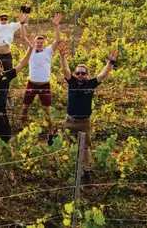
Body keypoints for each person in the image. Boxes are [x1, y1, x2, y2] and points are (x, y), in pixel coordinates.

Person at [59, 44, 118, 183]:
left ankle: (86, 171)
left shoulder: (91, 84)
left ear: (87, 75)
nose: (80, 75)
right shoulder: (71, 82)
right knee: (68, 145)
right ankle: (70, 168)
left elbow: (103, 75)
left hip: (85, 122)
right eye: (78, 73)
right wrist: (62, 56)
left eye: (83, 73)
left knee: (85, 148)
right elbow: (65, 69)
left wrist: (110, 62)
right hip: (70, 121)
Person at [20, 13, 63, 133]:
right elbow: (23, 38)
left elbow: (58, 40)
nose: (39, 44)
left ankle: (51, 130)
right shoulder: (30, 51)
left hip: (45, 85)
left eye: (41, 42)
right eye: (37, 42)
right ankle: (21, 126)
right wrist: (22, 24)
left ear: (44, 44)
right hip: (32, 84)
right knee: (25, 107)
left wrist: (56, 26)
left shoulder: (49, 51)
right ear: (34, 43)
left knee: (46, 108)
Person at [0, 0, 28, 107]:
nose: (3, 20)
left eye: (5, 18)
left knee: (7, 76)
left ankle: (7, 96)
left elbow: (24, 21)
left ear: (8, 19)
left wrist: (25, 10)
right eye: (2, 18)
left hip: (7, 55)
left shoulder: (11, 25)